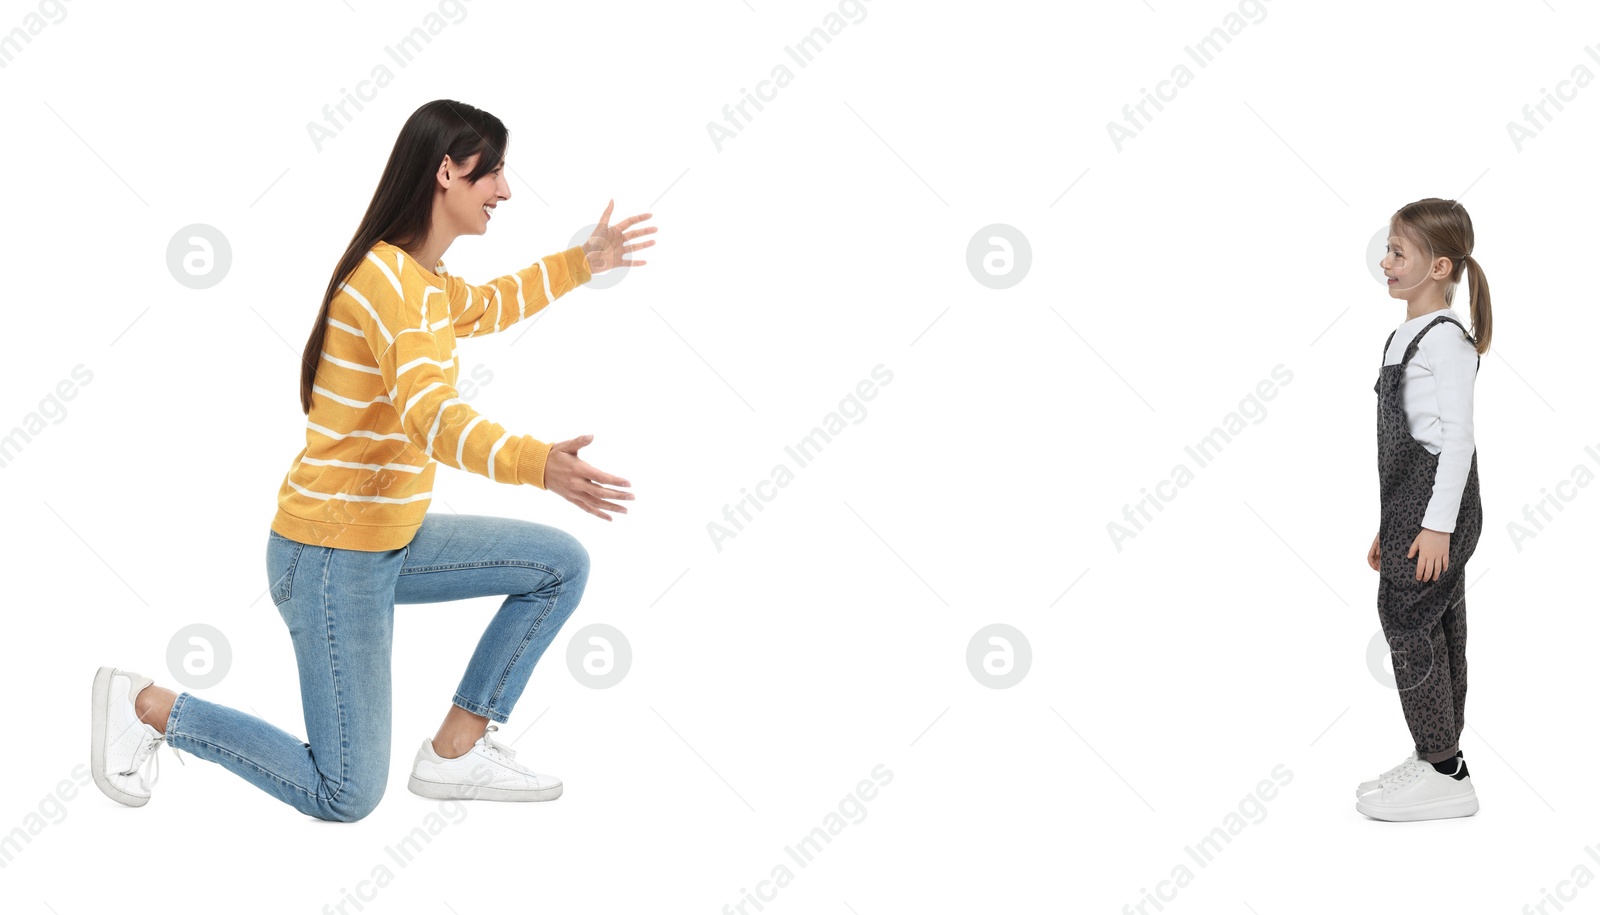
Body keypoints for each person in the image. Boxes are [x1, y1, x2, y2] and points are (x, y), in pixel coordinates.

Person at [89, 98, 656, 821]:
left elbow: (490, 304)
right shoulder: (386, 285)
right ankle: (149, 706)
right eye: (495, 173)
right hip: (329, 554)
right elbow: (434, 419)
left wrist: (584, 261)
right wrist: (534, 461)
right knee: (345, 791)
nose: (506, 191)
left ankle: (455, 749)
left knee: (560, 565)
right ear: (447, 171)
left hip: (389, 539)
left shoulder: (425, 282)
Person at [1355, 197, 1492, 822]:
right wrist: (1392, 524)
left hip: (1441, 506)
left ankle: (1442, 770)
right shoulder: (1402, 334)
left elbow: (1455, 442)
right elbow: (1409, 442)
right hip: (1412, 504)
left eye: (1397, 252)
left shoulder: (1448, 343)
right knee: (1433, 623)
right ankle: (1441, 758)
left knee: (1407, 622)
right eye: (1387, 248)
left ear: (1438, 267)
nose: (1385, 261)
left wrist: (1436, 526)